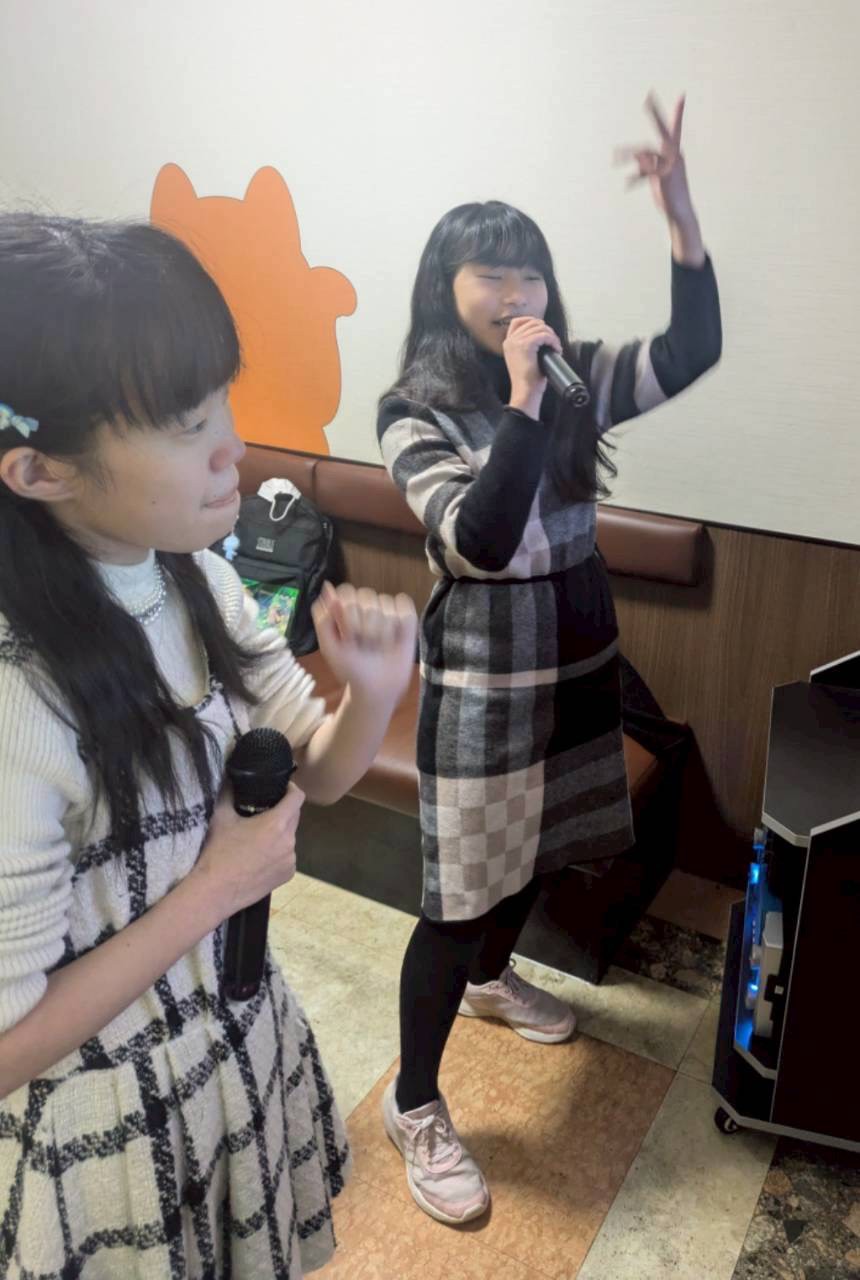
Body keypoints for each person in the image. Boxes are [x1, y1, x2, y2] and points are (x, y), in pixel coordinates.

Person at [0, 213, 417, 1278]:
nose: (233, 445)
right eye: (188, 424)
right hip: (105, 1116)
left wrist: (369, 694)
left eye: (219, 397)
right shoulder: (19, 699)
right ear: (39, 470)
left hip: (227, 1032)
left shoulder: (189, 569)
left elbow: (313, 767)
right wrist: (216, 887)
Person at [377, 94, 722, 1225]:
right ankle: (414, 1102)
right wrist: (522, 401)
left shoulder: (574, 376)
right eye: (490, 272)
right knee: (456, 896)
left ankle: (493, 980)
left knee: (532, 855)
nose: (516, 288)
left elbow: (692, 350)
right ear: (446, 289)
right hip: (484, 679)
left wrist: (680, 218)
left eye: (528, 269)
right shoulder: (413, 410)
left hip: (575, 656)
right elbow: (477, 540)